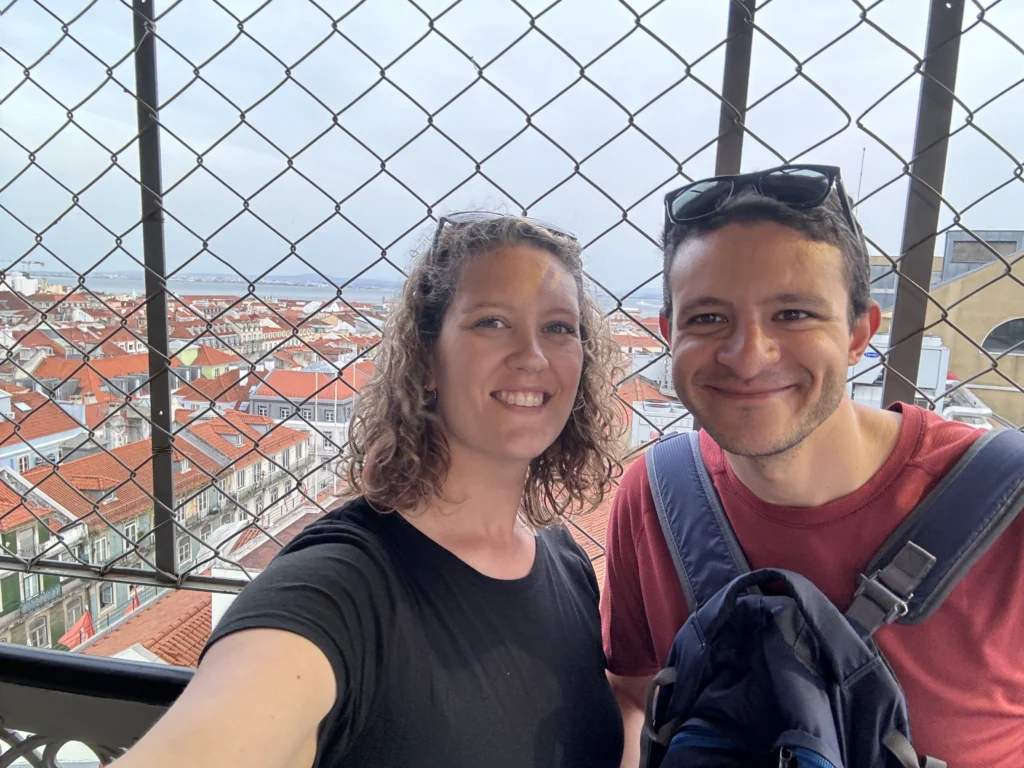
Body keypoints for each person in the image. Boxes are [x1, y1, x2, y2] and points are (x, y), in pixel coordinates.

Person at [112, 212, 626, 768]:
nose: (533, 355)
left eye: (559, 327)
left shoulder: (564, 560)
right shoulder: (341, 589)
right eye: (492, 322)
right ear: (428, 359)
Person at [601, 165, 1024, 768]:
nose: (748, 356)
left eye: (793, 314)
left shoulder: (1009, 516)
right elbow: (635, 697)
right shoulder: (654, 496)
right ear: (669, 335)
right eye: (707, 318)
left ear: (858, 335)